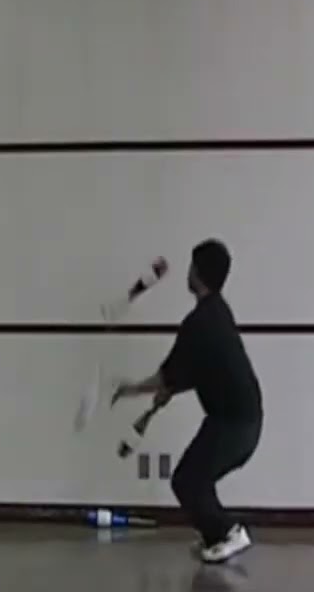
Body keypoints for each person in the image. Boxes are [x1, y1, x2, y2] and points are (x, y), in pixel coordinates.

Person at [113, 239, 263, 563]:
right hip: (235, 419)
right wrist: (170, 388)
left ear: (199, 272)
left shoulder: (199, 323)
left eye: (192, 266)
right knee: (192, 479)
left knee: (188, 481)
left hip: (235, 424)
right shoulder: (217, 312)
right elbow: (199, 368)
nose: (188, 272)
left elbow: (167, 376)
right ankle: (215, 537)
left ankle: (229, 532)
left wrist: (130, 389)